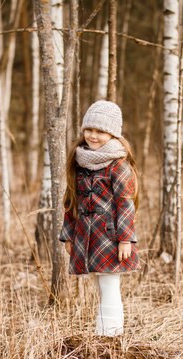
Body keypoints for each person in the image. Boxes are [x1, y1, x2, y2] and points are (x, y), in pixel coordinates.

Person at [59, 100, 140, 337]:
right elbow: (70, 200)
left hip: (110, 235)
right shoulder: (79, 160)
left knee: (109, 284)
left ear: (112, 134)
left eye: (100, 131)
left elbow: (125, 203)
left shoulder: (118, 165)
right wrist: (68, 235)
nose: (93, 136)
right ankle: (101, 335)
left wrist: (126, 239)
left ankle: (111, 338)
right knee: (99, 284)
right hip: (85, 233)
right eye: (89, 130)